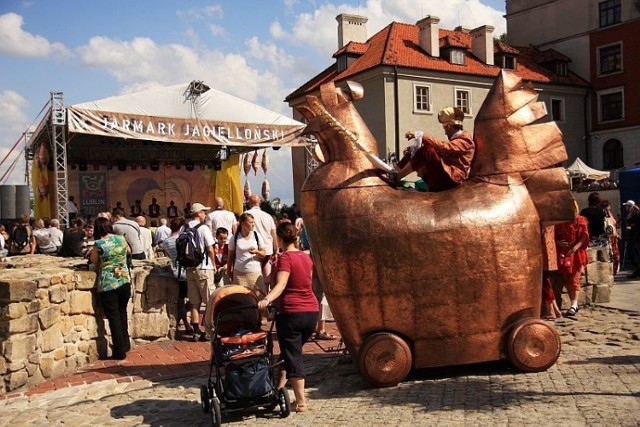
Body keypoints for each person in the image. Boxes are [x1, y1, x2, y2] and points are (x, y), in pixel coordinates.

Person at [258, 222, 319, 413]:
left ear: (281, 238)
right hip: (311, 312)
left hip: (292, 312)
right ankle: (277, 391)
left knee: (293, 357)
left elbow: (281, 285)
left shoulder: (285, 258)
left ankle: (300, 402)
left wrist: (266, 299)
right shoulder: (306, 257)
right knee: (289, 353)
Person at [395, 106, 475, 192]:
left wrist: (421, 135)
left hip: (451, 180)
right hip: (445, 177)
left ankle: (397, 177)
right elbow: (442, 149)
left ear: (448, 126)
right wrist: (413, 149)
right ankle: (394, 171)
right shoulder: (456, 142)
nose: (445, 132)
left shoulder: (465, 141)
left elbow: (444, 147)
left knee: (428, 151)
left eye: (444, 128)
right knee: (415, 151)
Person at [89, 217, 132, 360]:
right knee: (122, 313)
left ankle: (119, 352)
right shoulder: (121, 239)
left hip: (108, 283)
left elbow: (94, 261)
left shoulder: (99, 243)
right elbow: (128, 251)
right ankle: (125, 344)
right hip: (124, 280)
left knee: (113, 317)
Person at [185, 202, 217, 342]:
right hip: (204, 267)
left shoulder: (184, 228)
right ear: (198, 213)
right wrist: (214, 265)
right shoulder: (203, 228)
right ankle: (210, 331)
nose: (205, 214)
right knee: (210, 301)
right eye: (204, 212)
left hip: (189, 268)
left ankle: (196, 331)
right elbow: (210, 249)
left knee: (194, 302)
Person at [161, 217, 193, 335]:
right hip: (187, 271)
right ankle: (185, 321)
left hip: (175, 271)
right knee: (194, 299)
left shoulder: (166, 242)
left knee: (180, 299)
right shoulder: (184, 239)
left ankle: (184, 321)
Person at [555, 211, 589, 317]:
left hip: (576, 253)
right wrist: (558, 242)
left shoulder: (580, 220)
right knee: (567, 279)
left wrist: (574, 248)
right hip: (564, 252)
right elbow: (553, 235)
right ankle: (574, 304)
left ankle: (574, 304)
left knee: (574, 279)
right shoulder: (559, 221)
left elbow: (584, 236)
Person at [227, 213, 267, 295]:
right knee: (241, 300)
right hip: (239, 274)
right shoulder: (235, 237)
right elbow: (230, 256)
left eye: (253, 222)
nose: (253, 225)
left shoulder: (257, 236)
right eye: (250, 222)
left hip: (255, 273)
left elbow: (264, 254)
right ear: (243, 224)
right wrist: (229, 272)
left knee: (260, 298)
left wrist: (257, 251)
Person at [244, 195, 278, 283]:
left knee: (253, 280)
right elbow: (273, 234)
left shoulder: (245, 215)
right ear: (260, 203)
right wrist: (276, 250)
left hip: (252, 251)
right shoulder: (268, 216)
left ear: (249, 202)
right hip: (267, 250)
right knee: (267, 280)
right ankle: (266, 294)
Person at [601, 199, 620, 275]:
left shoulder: (609, 213)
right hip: (610, 237)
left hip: (613, 237)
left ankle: (613, 271)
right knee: (612, 254)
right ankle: (611, 271)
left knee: (614, 254)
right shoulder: (606, 214)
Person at [625, 201, 640, 278]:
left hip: (637, 238)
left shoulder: (636, 214)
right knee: (634, 253)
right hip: (635, 237)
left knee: (635, 253)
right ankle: (637, 272)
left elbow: (630, 221)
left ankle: (637, 272)